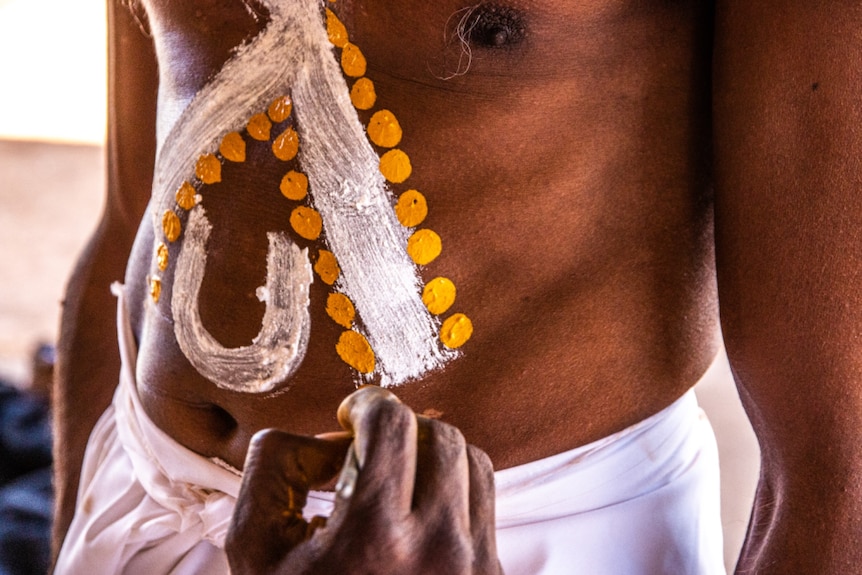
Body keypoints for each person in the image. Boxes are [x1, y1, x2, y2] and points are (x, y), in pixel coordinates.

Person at [52, 0, 862, 572]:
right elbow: (128, 218)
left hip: (532, 531)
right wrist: (78, 526)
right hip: (144, 497)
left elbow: (837, 467)